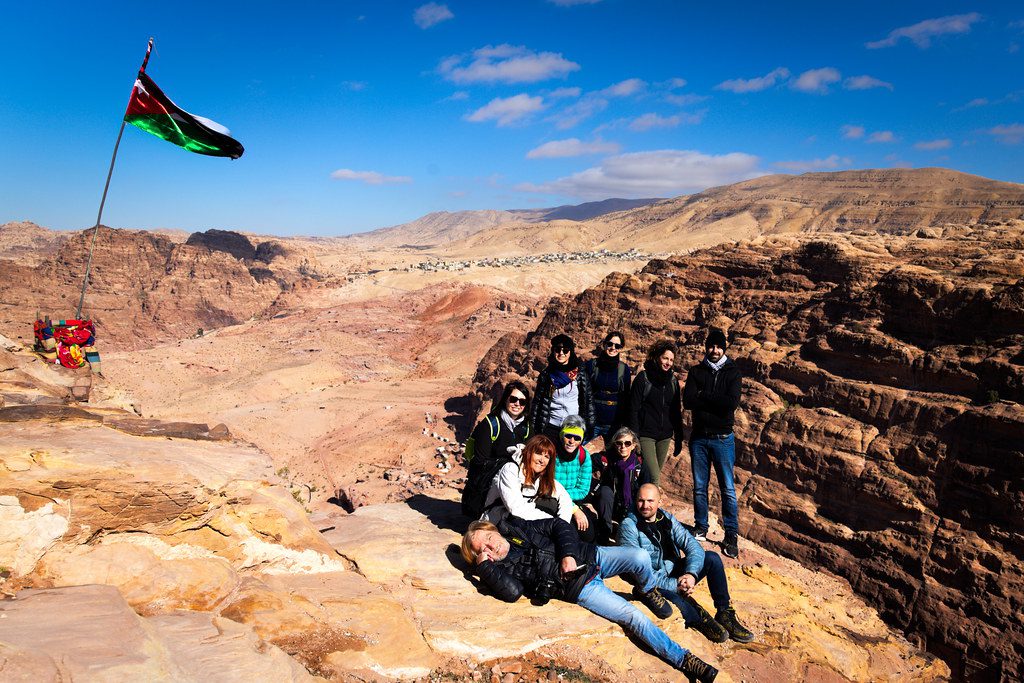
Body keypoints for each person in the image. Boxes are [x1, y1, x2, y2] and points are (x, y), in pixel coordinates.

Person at [462, 516, 720, 682]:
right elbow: (512, 593)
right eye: (481, 551)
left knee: (640, 558)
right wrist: (486, 569)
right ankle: (684, 659)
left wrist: (568, 554)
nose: (489, 546)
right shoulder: (502, 570)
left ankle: (646, 588)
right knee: (633, 617)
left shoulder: (516, 527)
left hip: (590, 556)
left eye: (487, 538)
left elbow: (558, 525)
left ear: (492, 529)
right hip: (581, 587)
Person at [619, 484, 754, 645]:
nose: (645, 505)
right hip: (651, 583)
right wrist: (675, 585)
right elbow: (638, 572)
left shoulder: (666, 518)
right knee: (719, 635)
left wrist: (690, 574)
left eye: (650, 501)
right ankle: (696, 614)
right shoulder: (629, 526)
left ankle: (724, 612)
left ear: (659, 502)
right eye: (641, 501)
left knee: (712, 558)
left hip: (675, 574)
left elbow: (693, 546)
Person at [682, 328, 742, 559]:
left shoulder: (733, 372)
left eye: (718, 347)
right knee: (699, 485)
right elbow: (688, 401)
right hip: (699, 437)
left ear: (723, 348)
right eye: (711, 346)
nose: (714, 350)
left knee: (727, 488)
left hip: (722, 439)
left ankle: (731, 534)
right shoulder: (697, 371)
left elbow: (730, 404)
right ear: (706, 347)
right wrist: (714, 400)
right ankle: (701, 526)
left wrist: (703, 395)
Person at [461, 381, 533, 519]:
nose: (517, 404)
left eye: (522, 401)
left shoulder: (526, 428)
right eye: (513, 399)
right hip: (489, 482)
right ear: (505, 399)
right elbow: (479, 461)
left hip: (516, 479)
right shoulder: (491, 424)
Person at [480, 435, 573, 526]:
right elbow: (516, 508)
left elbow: (564, 497)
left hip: (520, 522)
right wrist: (553, 523)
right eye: (538, 453)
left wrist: (563, 524)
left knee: (553, 505)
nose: (542, 460)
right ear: (528, 452)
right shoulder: (510, 469)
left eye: (546, 457)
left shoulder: (539, 476)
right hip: (495, 523)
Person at [628, 339, 684, 485]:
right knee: (654, 477)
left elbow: (676, 411)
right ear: (657, 357)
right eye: (665, 358)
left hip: (664, 436)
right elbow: (633, 409)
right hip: (646, 436)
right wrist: (635, 438)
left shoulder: (672, 381)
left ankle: (641, 502)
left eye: (671, 360)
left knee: (652, 475)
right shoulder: (643, 378)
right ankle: (650, 506)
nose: (668, 363)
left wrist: (678, 437)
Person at [529, 334, 596, 442]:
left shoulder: (579, 374)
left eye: (565, 350)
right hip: (551, 426)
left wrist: (590, 425)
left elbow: (588, 400)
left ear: (570, 353)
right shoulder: (547, 375)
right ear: (553, 351)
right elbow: (538, 403)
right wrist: (533, 428)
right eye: (558, 349)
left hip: (573, 428)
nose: (561, 353)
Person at [592, 426, 648, 544]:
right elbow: (585, 467)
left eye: (627, 443)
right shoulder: (606, 459)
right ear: (614, 444)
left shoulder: (640, 464)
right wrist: (595, 488)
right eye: (619, 443)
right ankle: (604, 533)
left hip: (630, 506)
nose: (623, 447)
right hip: (609, 505)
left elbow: (646, 486)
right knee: (605, 492)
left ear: (633, 445)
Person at [553, 415, 597, 542]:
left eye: (577, 438)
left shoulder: (584, 456)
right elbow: (547, 486)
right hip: (550, 500)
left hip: (571, 500)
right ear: (562, 435)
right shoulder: (551, 453)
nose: (572, 441)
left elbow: (583, 490)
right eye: (568, 436)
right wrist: (574, 509)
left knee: (588, 534)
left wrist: (566, 499)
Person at [583, 330, 632, 441]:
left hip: (613, 424)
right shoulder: (592, 365)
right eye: (610, 344)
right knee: (580, 453)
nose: (613, 348)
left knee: (612, 456)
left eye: (617, 346)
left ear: (621, 348)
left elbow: (626, 397)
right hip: (591, 421)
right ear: (604, 345)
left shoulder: (624, 370)